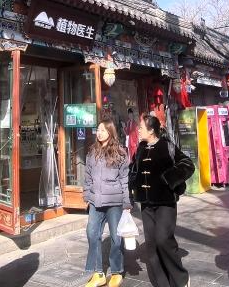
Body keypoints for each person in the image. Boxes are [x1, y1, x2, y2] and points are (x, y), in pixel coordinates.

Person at [129, 113, 195, 287]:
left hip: (165, 202)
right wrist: (132, 185)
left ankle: (181, 279)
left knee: (163, 239)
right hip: (146, 203)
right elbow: (133, 169)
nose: (138, 130)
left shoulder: (167, 146)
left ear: (151, 130)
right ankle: (162, 283)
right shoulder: (141, 148)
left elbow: (188, 165)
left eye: (141, 127)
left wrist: (169, 179)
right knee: (151, 245)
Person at [83, 121, 132, 287]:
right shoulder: (92, 152)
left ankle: (116, 272)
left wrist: (127, 203)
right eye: (98, 130)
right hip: (95, 202)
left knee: (116, 238)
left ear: (110, 132)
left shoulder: (120, 153)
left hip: (115, 202)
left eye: (103, 130)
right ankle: (98, 273)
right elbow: (88, 177)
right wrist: (87, 196)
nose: (99, 133)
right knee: (92, 234)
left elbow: (124, 180)